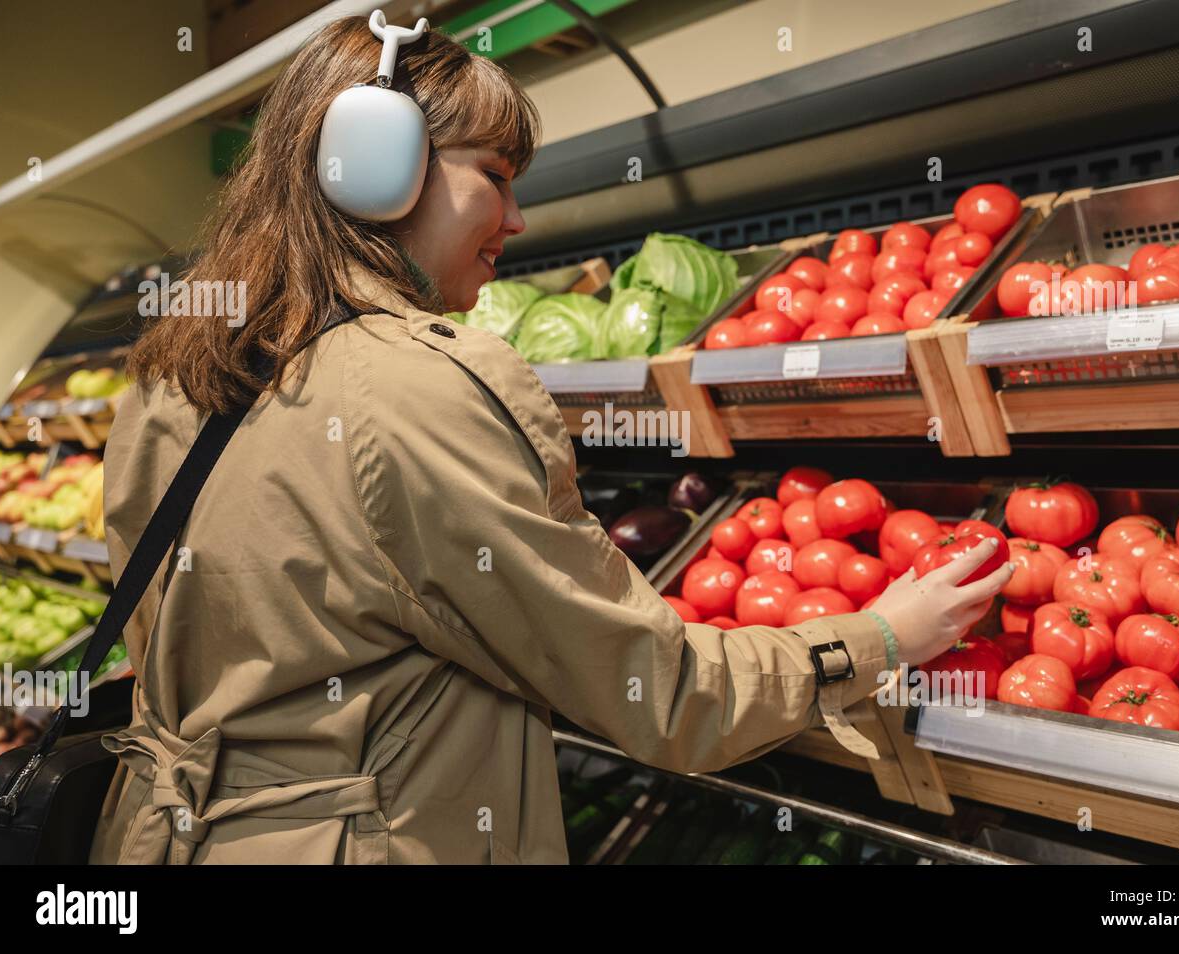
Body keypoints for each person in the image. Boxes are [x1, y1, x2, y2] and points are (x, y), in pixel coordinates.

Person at [88, 16, 1012, 865]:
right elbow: (660, 695)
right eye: (493, 175)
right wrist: (878, 637)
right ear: (376, 167)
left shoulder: (168, 379)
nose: (518, 222)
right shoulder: (418, 386)